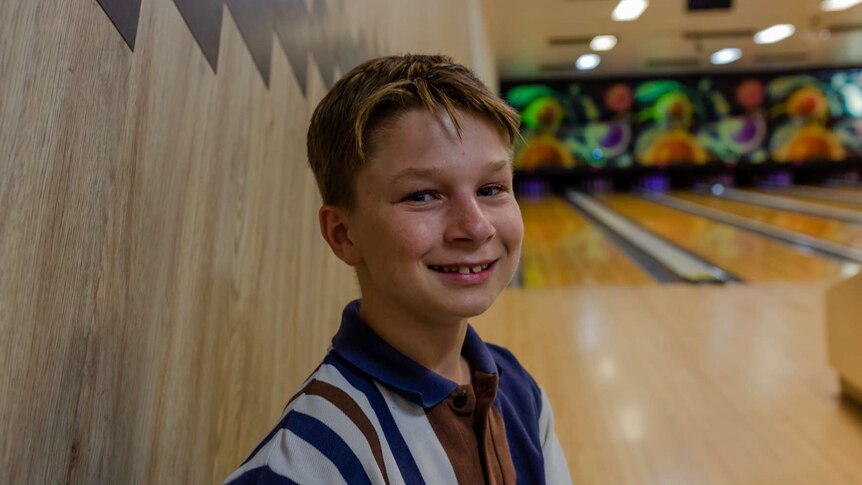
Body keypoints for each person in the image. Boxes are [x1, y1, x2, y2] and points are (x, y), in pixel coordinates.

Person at [224, 54, 571, 485]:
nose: (476, 226)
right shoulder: (307, 464)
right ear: (343, 234)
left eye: (491, 188)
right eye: (423, 196)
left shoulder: (520, 392)